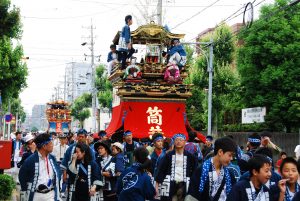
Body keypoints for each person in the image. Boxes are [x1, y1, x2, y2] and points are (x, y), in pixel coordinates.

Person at [186, 137, 237, 201]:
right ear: (220, 152)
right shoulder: (201, 171)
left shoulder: (230, 175)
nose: (231, 158)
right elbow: (192, 196)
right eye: (230, 155)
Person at [155, 133, 198, 201]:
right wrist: (157, 186)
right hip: (170, 184)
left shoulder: (190, 156)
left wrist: (194, 185)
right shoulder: (168, 155)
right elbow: (161, 170)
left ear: (185, 142)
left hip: (184, 184)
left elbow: (195, 171)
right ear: (174, 142)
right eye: (176, 140)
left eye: (181, 140)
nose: (178, 142)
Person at [19, 133, 61, 201]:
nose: (52, 145)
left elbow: (58, 173)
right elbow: (22, 176)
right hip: (36, 195)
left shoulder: (52, 158)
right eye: (51, 143)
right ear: (44, 146)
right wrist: (25, 191)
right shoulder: (30, 160)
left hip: (50, 194)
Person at [52, 133, 69, 198]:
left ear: (65, 140)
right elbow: (53, 156)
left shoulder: (68, 147)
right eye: (61, 139)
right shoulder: (55, 147)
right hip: (58, 163)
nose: (62, 140)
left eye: (63, 139)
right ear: (59, 139)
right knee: (58, 178)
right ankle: (58, 190)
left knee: (65, 179)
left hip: (65, 164)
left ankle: (62, 192)